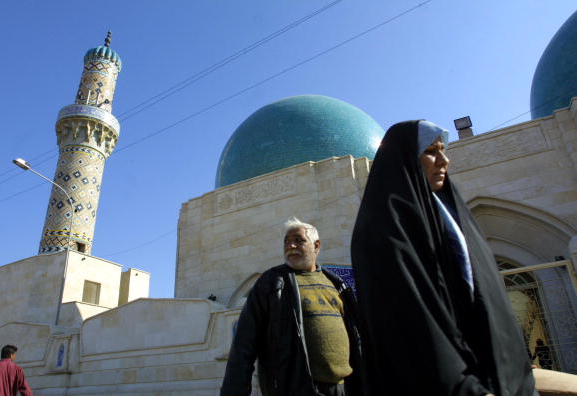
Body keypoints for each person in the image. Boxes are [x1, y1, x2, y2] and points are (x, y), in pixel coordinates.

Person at [351, 120, 537, 395]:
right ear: (405, 160)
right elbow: (407, 319)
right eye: (431, 152)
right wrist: (461, 386)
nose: (443, 161)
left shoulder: (452, 215)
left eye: (443, 150)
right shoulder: (384, 226)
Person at [220, 217, 363, 396]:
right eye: (287, 241)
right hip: (295, 388)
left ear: (316, 245)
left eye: (298, 240)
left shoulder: (337, 284)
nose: (291, 246)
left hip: (343, 388)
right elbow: (243, 344)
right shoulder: (271, 284)